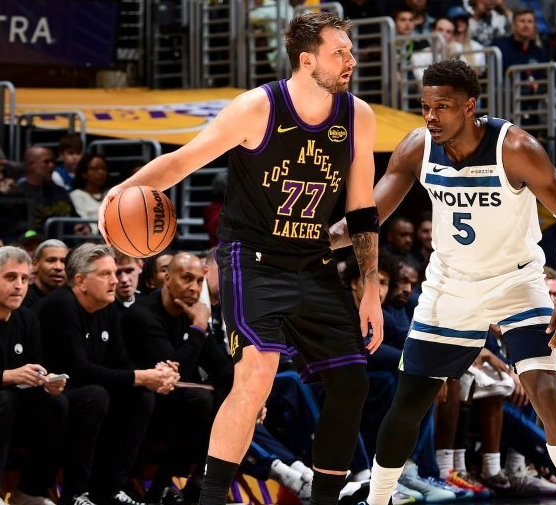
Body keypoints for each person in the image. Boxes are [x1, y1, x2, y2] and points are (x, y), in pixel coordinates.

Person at [98, 12, 383, 505]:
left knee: (352, 382)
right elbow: (183, 160)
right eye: (340, 52)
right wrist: (122, 192)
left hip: (313, 260)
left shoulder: (358, 115)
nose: (351, 60)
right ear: (307, 59)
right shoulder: (257, 107)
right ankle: (210, 498)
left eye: (351, 51)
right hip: (252, 258)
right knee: (255, 377)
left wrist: (371, 287)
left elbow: (361, 208)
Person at [330, 59, 556, 505]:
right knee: (409, 402)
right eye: (425, 107)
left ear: (469, 106)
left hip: (516, 283)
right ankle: (377, 500)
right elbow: (368, 216)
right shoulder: (417, 147)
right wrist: (323, 238)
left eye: (443, 107)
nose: (431, 116)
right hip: (451, 285)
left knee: (548, 394)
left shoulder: (515, 147)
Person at [34, 244, 179, 505]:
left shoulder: (107, 307)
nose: (115, 281)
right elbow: (78, 370)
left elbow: (120, 362)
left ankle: (111, 488)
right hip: (48, 394)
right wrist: (140, 377)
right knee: (95, 395)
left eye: (115, 273)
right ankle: (75, 493)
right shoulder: (61, 305)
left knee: (141, 397)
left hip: (86, 391)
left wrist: (154, 376)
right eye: (105, 274)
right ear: (81, 281)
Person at [121, 252, 233, 504]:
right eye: (186, 279)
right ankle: (159, 488)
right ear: (167, 279)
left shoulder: (190, 312)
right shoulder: (143, 315)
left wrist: (250, 396)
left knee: (233, 398)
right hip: (141, 401)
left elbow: (221, 368)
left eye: (199, 281)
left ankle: (200, 483)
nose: (194, 287)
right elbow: (172, 373)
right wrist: (198, 329)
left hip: (177, 402)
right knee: (199, 399)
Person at [0, 246, 67, 505]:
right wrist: (9, 375)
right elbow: (13, 377)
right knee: (4, 401)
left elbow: (36, 365)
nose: (19, 286)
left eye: (24, 278)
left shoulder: (27, 318)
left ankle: (30, 491)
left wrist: (46, 381)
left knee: (56, 404)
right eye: (10, 277)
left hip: (17, 404)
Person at [21, 239, 69, 309]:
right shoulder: (21, 298)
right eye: (51, 260)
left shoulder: (72, 300)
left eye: (63, 261)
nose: (58, 267)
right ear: (35, 265)